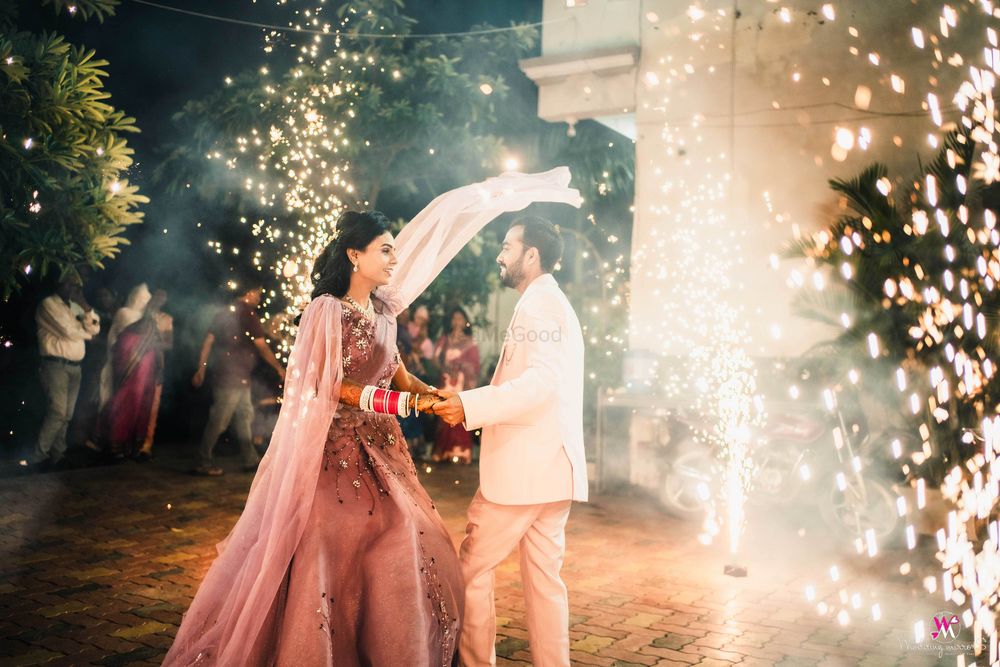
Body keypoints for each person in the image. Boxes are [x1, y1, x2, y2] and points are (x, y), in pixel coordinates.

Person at [163, 168, 581, 666]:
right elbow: (330, 383)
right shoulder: (326, 310)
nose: (395, 258)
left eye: (508, 248)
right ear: (353, 255)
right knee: (332, 548)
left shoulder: (388, 310)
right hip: (338, 449)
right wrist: (413, 403)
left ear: (531, 255)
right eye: (385, 249)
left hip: (394, 448)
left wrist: (436, 397)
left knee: (417, 541)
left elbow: (398, 369)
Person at [434, 216, 588, 667]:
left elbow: (541, 385)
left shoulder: (540, 305)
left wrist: (468, 405)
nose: (500, 256)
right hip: (552, 467)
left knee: (471, 569)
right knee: (545, 584)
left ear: (531, 255)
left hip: (525, 472)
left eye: (507, 246)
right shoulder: (551, 300)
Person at [191, 286, 285, 476]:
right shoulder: (248, 314)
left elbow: (208, 341)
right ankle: (203, 461)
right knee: (220, 420)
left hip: (236, 376)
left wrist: (201, 367)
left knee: (244, 416)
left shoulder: (224, 313)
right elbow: (262, 347)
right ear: (248, 292)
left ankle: (250, 459)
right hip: (231, 377)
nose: (259, 297)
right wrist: (279, 368)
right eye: (257, 293)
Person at [32, 277, 101, 469]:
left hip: (75, 366)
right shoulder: (48, 304)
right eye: (70, 284)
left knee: (67, 414)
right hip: (55, 365)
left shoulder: (75, 306)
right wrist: (88, 335)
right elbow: (68, 331)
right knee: (57, 412)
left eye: (77, 285)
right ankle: (38, 456)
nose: (74, 288)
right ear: (58, 284)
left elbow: (95, 327)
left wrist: (86, 307)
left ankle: (57, 455)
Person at [98, 289, 168, 460]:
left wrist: (159, 368)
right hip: (130, 371)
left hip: (146, 370)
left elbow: (158, 345)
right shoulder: (126, 314)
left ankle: (133, 446)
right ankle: (115, 446)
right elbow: (119, 341)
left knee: (142, 404)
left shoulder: (151, 321)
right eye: (152, 298)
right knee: (126, 402)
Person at [431, 307, 480, 464]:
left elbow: (475, 364)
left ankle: (461, 452)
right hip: (446, 381)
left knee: (459, 413)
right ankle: (443, 451)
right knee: (444, 413)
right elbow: (435, 359)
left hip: (462, 384)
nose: (457, 321)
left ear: (465, 321)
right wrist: (445, 369)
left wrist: (462, 368)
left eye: (460, 318)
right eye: (454, 318)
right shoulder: (445, 339)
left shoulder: (470, 342)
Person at [99, 283, 151, 409]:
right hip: (120, 359)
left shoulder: (146, 318)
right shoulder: (124, 313)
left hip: (138, 364)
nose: (142, 302)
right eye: (140, 298)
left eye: (145, 299)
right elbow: (120, 339)